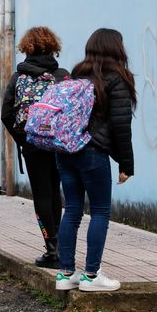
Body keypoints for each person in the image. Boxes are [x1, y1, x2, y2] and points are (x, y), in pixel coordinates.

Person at [54, 29, 135, 292]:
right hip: (92, 152)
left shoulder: (78, 74)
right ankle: (91, 276)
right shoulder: (117, 78)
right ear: (116, 48)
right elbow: (121, 125)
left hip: (66, 151)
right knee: (100, 211)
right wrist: (126, 164)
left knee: (73, 210)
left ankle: (66, 275)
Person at [1, 26, 69, 269]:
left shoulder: (19, 77)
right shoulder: (62, 75)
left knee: (41, 194)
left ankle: (51, 249)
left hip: (33, 145)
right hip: (58, 145)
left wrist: (24, 139)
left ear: (26, 48)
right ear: (53, 46)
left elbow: (6, 114)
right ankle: (60, 246)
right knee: (55, 191)